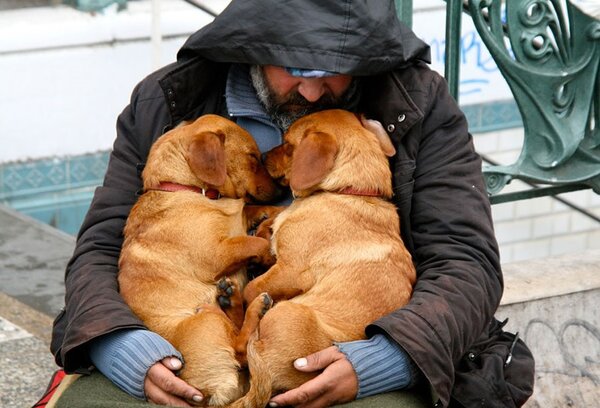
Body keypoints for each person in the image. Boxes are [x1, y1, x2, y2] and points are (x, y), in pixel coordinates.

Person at [50, 1, 535, 407]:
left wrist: (387, 359)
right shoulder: (169, 99)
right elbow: (100, 245)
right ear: (253, 46)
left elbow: (466, 261)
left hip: (356, 342)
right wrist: (118, 344)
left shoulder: (417, 102)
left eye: (336, 72)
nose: (311, 90)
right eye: (295, 69)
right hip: (180, 337)